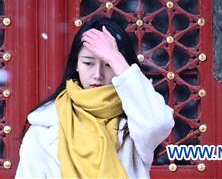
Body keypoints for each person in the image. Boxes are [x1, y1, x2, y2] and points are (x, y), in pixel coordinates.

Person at [15, 17, 175, 179]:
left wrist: (115, 58)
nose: (97, 75)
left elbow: (157, 124)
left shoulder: (135, 123)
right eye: (88, 63)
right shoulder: (45, 125)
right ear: (76, 64)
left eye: (107, 65)